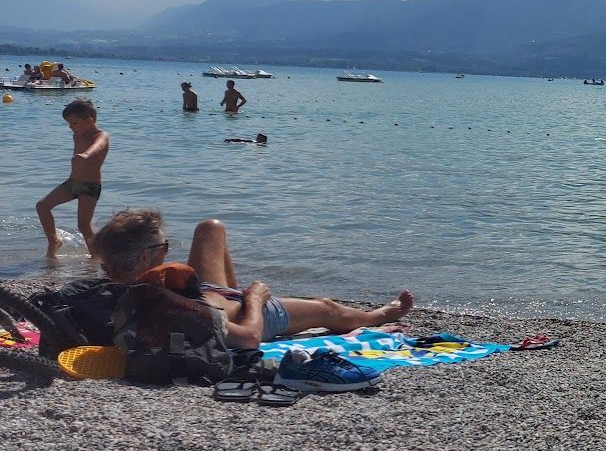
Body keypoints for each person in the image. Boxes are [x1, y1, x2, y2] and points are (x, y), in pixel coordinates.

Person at [94, 209, 412, 349]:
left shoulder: (105, 290)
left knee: (210, 227)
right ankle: (378, 315)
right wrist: (255, 299)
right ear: (144, 257)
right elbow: (247, 338)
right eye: (164, 247)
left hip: (211, 292)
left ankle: (236, 290)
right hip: (244, 312)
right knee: (325, 308)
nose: (168, 250)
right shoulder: (168, 305)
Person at [37, 97, 109, 255]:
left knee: (83, 225)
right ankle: (54, 241)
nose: (70, 127)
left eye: (74, 123)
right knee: (42, 206)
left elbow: (99, 146)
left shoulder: (101, 135)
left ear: (89, 121)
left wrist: (86, 155)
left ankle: (97, 257)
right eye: (69, 123)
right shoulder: (77, 135)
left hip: (90, 187)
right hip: (72, 183)